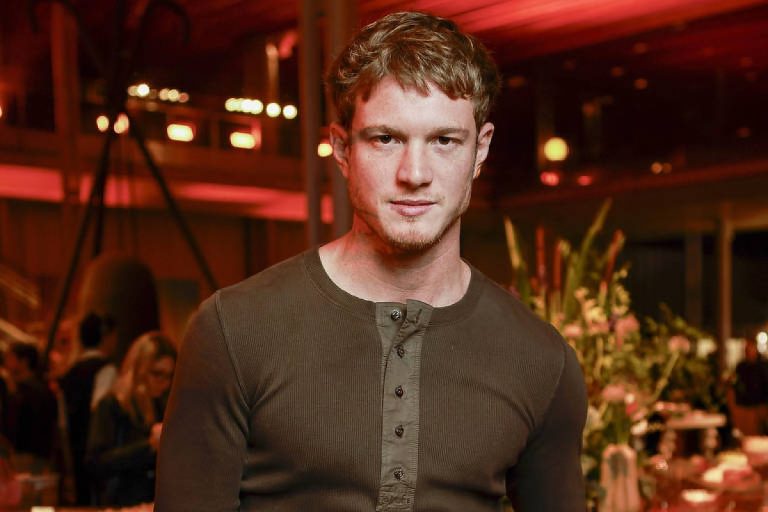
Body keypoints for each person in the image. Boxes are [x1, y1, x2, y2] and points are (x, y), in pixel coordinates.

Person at [156, 11, 587, 511]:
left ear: (480, 149)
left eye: (444, 141)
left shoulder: (540, 358)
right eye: (386, 139)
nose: (415, 173)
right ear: (342, 148)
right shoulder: (234, 330)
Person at [86, 332, 175, 507]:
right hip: (120, 504)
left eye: (169, 376)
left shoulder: (161, 405)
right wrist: (149, 445)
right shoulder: (112, 405)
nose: (165, 383)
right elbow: (95, 463)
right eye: (157, 374)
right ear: (139, 370)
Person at [58, 312, 118, 504]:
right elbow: (100, 412)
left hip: (74, 448)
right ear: (106, 336)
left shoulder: (69, 373)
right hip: (98, 451)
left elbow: (62, 422)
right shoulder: (106, 369)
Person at [1, 341, 57, 471]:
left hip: (29, 456)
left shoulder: (32, 391)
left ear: (24, 362)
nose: (6, 362)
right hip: (27, 454)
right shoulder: (28, 388)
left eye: (11, 357)